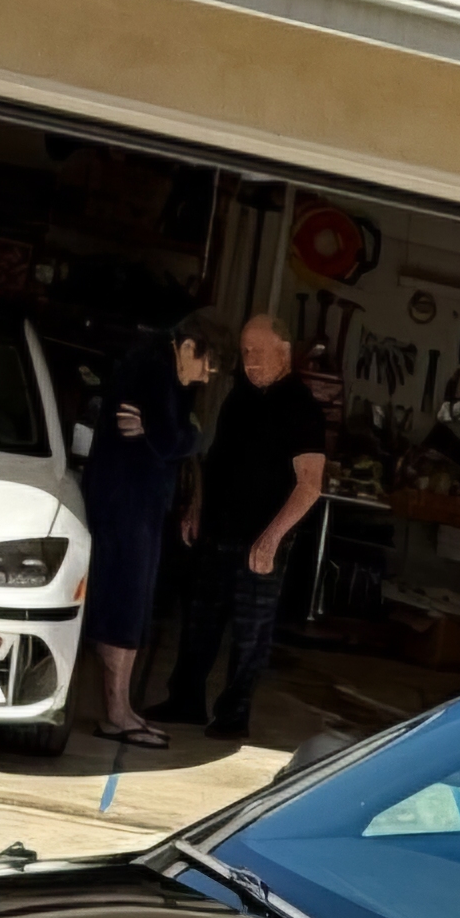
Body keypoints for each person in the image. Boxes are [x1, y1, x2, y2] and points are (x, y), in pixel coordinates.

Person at [156, 313, 327, 744]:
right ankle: (186, 701)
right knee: (199, 621)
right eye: (246, 351)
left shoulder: (301, 407)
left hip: (261, 540)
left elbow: (310, 485)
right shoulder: (239, 397)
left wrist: (272, 537)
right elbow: (213, 460)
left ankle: (233, 715)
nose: (249, 360)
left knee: (251, 632)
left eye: (258, 351)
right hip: (218, 530)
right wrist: (196, 506)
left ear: (284, 352)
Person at [75, 305, 216, 751]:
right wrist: (174, 436)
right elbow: (179, 438)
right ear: (190, 347)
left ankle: (123, 707)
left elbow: (188, 435)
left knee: (135, 603)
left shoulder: (172, 371)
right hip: (124, 504)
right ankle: (115, 713)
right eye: (207, 365)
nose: (207, 377)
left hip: (143, 504)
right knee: (122, 600)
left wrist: (168, 435)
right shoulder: (150, 367)